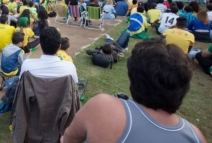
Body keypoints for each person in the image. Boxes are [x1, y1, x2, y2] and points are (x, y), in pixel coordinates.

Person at [60, 39, 206, 143]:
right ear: (185, 87)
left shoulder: (103, 107)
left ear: (132, 79)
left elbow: (68, 139)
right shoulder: (196, 136)